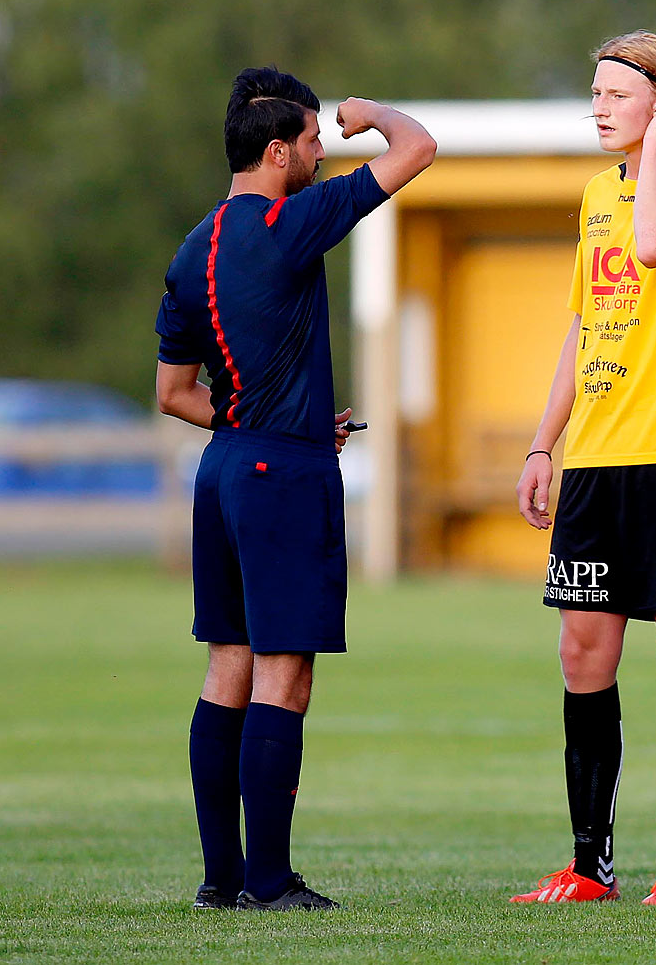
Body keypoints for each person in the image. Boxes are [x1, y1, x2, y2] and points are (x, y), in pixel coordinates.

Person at [155, 67, 435, 911]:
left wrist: (270, 422)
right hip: (281, 476)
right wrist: (371, 113)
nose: (324, 150)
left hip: (227, 470)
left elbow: (174, 394)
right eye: (314, 140)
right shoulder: (290, 221)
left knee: (226, 669)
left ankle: (222, 879)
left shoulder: (192, 247)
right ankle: (271, 884)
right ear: (277, 152)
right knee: (284, 676)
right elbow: (417, 146)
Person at [510, 31, 656, 905]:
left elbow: (654, 245)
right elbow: (585, 324)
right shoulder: (594, 195)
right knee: (582, 652)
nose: (599, 108)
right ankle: (589, 863)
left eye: (617, 94)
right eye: (595, 94)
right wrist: (545, 442)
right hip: (599, 459)